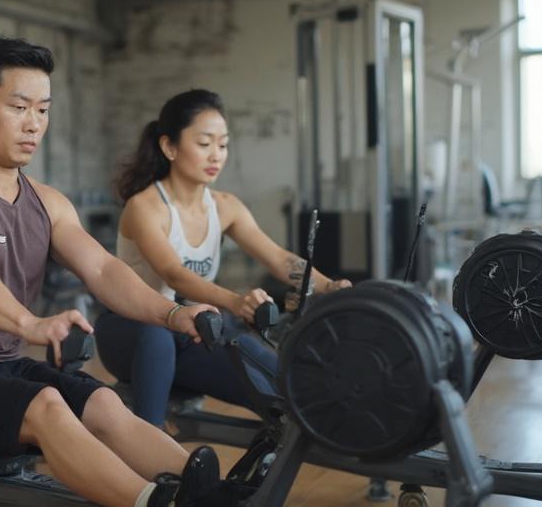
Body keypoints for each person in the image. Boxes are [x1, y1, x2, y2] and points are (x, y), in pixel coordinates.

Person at [0, 37, 239, 507]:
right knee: (46, 405)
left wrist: (172, 315)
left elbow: (103, 269)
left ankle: (211, 495)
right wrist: (32, 323)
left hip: (1, 370)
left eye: (43, 110)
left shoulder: (47, 202)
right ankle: (158, 503)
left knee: (103, 402)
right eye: (19, 107)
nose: (34, 125)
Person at [95, 89, 352, 427]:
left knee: (287, 392)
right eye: (204, 144)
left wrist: (330, 286)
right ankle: (147, 450)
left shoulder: (225, 206)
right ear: (169, 146)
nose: (216, 154)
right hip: (132, 331)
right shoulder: (146, 207)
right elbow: (174, 274)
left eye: (223, 144)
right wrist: (235, 301)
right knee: (157, 335)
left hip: (193, 331)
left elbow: (277, 258)